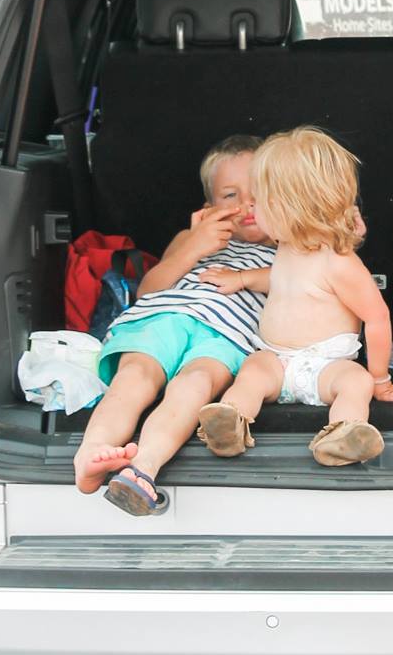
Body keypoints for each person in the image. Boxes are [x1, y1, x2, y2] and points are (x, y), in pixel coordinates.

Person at [73, 133, 276, 514]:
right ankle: (90, 454)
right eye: (230, 195)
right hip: (161, 316)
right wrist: (196, 245)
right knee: (134, 377)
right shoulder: (191, 238)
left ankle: (143, 468)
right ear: (209, 207)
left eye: (260, 191)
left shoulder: (293, 248)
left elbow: (302, 286)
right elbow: (149, 289)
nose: (247, 204)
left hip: (227, 335)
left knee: (194, 384)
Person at [197, 126, 393, 464]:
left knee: (356, 383)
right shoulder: (287, 247)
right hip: (276, 361)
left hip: (325, 368)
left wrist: (379, 378)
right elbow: (280, 280)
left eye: (260, 200)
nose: (252, 207)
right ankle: (231, 421)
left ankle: (343, 433)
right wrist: (240, 279)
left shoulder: (339, 263)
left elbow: (376, 317)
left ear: (290, 207)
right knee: (251, 370)